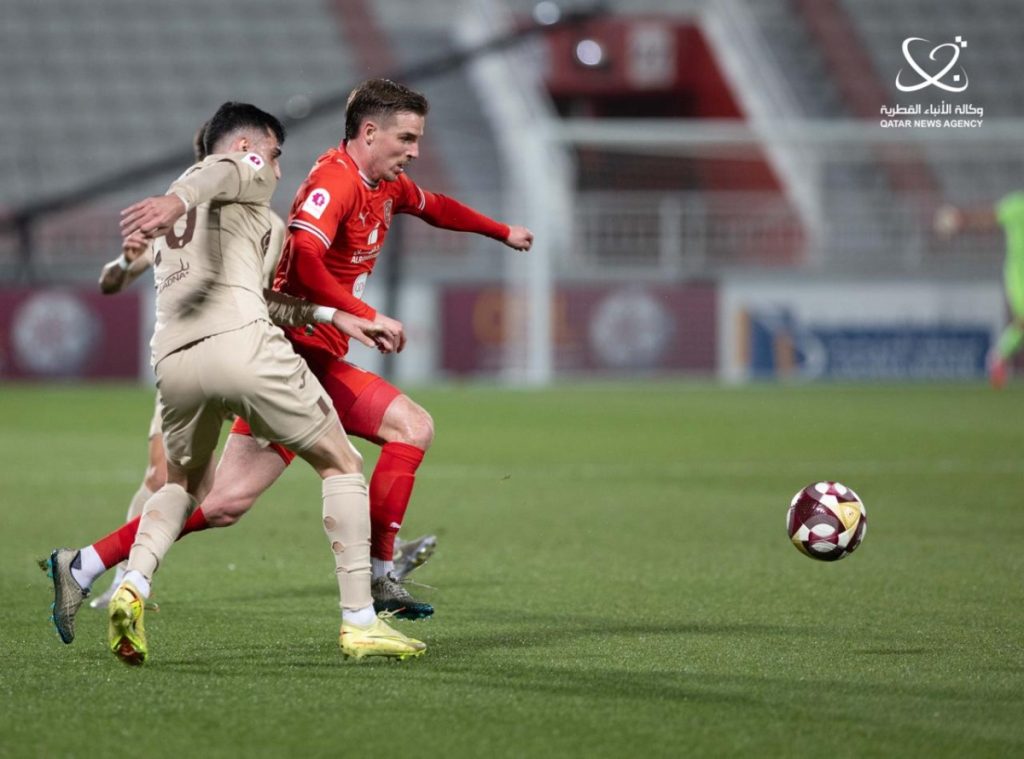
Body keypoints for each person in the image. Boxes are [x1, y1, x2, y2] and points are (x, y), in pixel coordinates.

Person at [49, 102, 425, 665]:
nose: (276, 170)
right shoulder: (234, 176)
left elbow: (270, 298)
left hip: (174, 366)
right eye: (274, 156)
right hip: (244, 350)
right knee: (342, 463)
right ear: (250, 149)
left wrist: (333, 317)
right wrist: (180, 194)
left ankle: (128, 581)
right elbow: (222, 170)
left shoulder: (223, 224)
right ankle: (360, 620)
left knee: (181, 488)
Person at [935, 194, 1024, 387]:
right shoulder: (1018, 205)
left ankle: (999, 356)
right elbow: (990, 217)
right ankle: (998, 357)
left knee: (1020, 324)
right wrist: (962, 218)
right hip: (1019, 274)